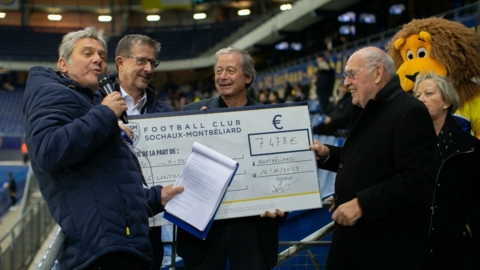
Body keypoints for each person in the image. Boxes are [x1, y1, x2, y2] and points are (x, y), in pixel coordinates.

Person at [23, 26, 183, 270]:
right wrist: (105, 113)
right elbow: (48, 150)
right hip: (102, 250)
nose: (97, 58)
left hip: (120, 244)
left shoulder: (87, 103)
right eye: (87, 53)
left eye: (100, 54)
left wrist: (155, 198)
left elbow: (108, 185)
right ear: (63, 64)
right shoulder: (53, 93)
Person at [309, 46, 437, 269]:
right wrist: (329, 154)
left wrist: (360, 204)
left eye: (351, 74)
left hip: (384, 248)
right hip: (358, 242)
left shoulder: (409, 112)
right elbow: (369, 159)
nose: (346, 83)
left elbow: (417, 179)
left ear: (378, 74)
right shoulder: (369, 108)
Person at [176, 47, 285, 270]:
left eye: (230, 71)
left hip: (253, 229)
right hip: (202, 231)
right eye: (218, 71)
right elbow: (177, 167)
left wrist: (284, 204)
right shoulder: (192, 113)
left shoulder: (272, 119)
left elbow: (282, 171)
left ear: (248, 77)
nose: (223, 77)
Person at [94, 33, 174, 270]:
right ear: (120, 62)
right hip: (106, 227)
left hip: (150, 227)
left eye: (153, 63)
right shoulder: (92, 104)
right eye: (141, 61)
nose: (148, 68)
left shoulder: (166, 113)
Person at [413, 72, 480, 270]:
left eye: (428, 93)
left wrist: (467, 228)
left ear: (446, 102)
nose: (421, 99)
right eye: (417, 96)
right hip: (418, 250)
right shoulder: (409, 144)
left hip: (458, 253)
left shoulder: (470, 147)